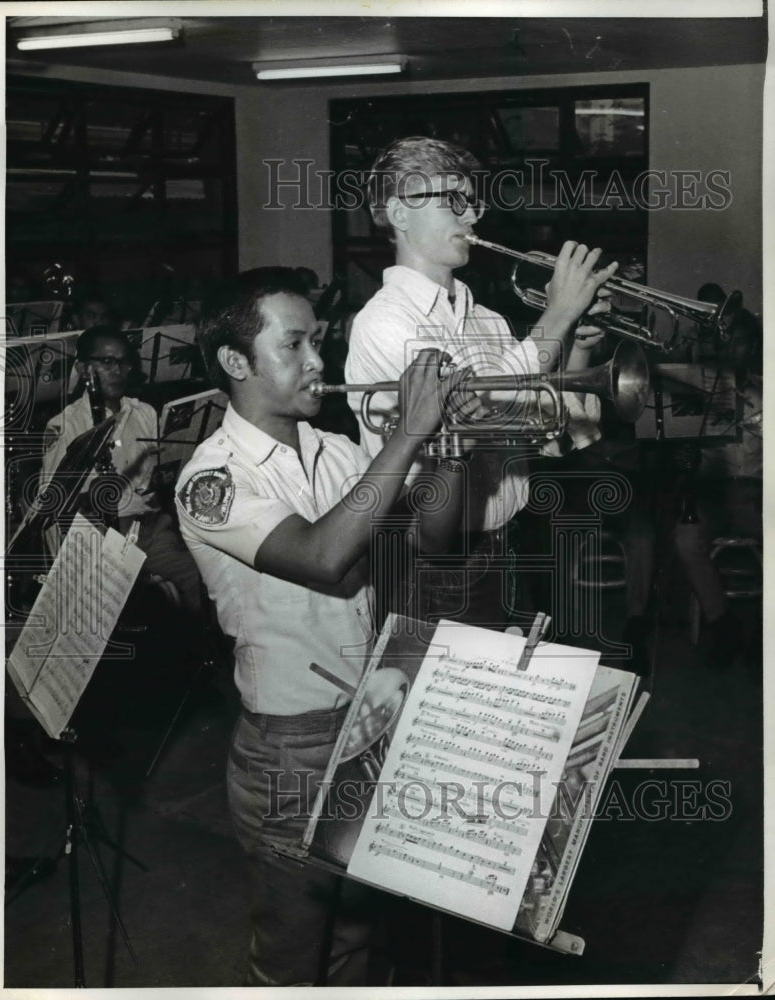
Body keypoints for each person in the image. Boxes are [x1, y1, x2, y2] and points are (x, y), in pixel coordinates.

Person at [174, 267, 478, 986]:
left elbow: (438, 533)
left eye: (322, 342)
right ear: (234, 362)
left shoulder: (336, 451)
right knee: (291, 952)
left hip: (365, 722)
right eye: (297, 345)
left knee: (352, 939)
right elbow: (322, 554)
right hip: (289, 746)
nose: (319, 361)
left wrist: (452, 444)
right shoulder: (212, 481)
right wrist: (409, 431)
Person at [345, 135, 617, 629]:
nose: (471, 217)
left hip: (508, 545)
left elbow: (558, 434)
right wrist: (557, 316)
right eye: (453, 201)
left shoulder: (487, 320)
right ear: (399, 213)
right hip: (430, 565)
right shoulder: (383, 322)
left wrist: (579, 342)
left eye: (472, 202)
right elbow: (470, 411)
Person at [40, 325, 202, 616]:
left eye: (124, 362)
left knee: (197, 579)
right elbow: (54, 504)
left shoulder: (145, 413)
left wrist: (163, 479)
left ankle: (198, 654)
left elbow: (156, 479)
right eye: (106, 362)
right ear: (82, 367)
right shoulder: (65, 425)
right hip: (100, 535)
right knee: (134, 606)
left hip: (151, 526)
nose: (117, 370)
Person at [672, 309, 763, 668]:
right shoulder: (699, 389)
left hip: (759, 490)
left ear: (753, 345)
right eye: (722, 340)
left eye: (738, 341)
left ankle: (762, 633)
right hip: (712, 491)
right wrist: (685, 452)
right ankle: (722, 623)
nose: (729, 349)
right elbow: (680, 463)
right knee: (684, 538)